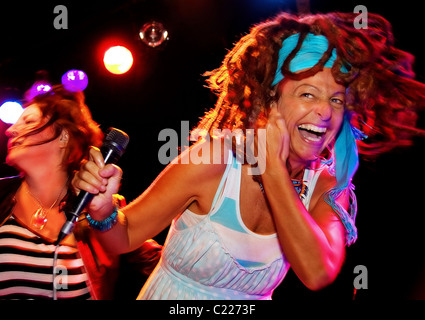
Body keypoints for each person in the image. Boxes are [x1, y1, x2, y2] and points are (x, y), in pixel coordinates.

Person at [72, 12, 425, 300]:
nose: (324, 112)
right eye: (307, 94)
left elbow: (318, 272)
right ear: (271, 102)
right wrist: (103, 212)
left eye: (335, 100)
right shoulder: (216, 159)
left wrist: (272, 170)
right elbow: (125, 236)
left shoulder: (327, 187)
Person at [0, 84, 161, 299]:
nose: (11, 130)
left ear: (64, 137)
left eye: (28, 121)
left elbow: (165, 266)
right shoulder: (1, 195)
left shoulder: (100, 209)